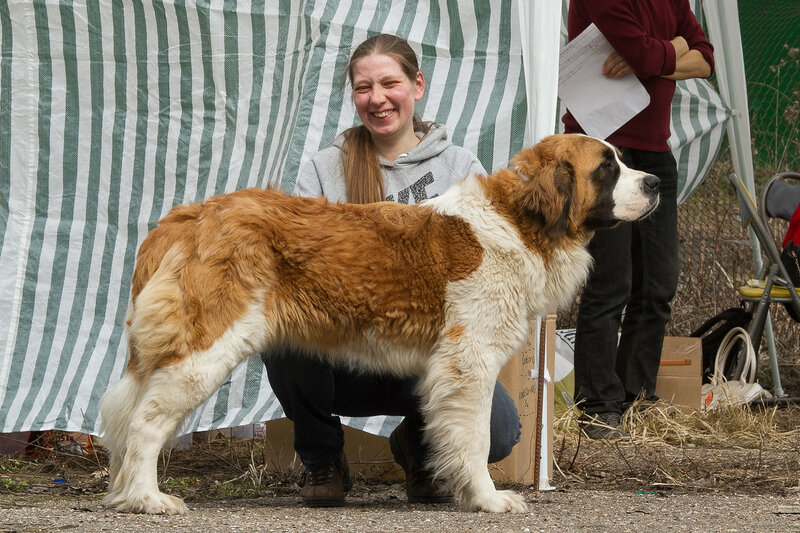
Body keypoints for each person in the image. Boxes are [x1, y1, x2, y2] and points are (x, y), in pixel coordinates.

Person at [263, 33, 521, 507]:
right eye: (363, 88)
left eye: (389, 83)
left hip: (423, 355)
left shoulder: (460, 165)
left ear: (417, 85)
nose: (377, 99)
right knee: (283, 333)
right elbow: (292, 263)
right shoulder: (323, 169)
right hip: (342, 353)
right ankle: (323, 460)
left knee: (502, 430)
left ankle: (422, 455)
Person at [562, 1, 714, 439]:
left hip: (655, 151)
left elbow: (705, 60)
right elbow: (656, 57)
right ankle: (598, 407)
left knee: (658, 285)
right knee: (611, 284)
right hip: (602, 150)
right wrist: (673, 49)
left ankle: (637, 400)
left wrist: (660, 52)